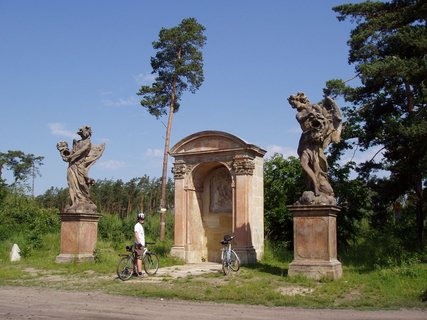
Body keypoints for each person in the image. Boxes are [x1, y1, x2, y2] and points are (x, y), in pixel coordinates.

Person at [134, 212, 146, 277]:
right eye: (141, 219)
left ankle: (135, 271)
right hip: (139, 245)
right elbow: (136, 234)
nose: (142, 220)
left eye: (143, 219)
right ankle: (140, 273)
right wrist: (139, 243)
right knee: (140, 258)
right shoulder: (137, 225)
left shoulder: (140, 226)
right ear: (138, 219)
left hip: (140, 244)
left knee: (136, 258)